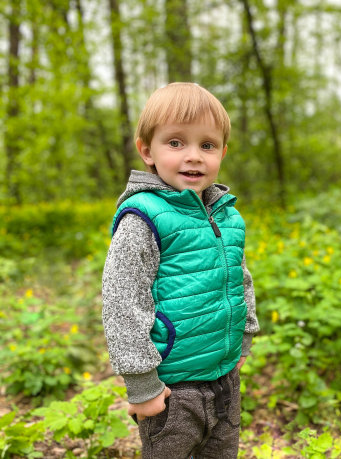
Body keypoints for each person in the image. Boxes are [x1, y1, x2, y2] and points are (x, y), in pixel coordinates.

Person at [102, 82, 259, 459]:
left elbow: (238, 277)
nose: (193, 157)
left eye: (206, 145)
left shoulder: (226, 214)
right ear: (147, 151)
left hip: (224, 379)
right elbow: (121, 301)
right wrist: (142, 384)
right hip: (172, 387)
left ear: (222, 152)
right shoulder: (143, 217)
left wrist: (245, 334)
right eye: (175, 143)